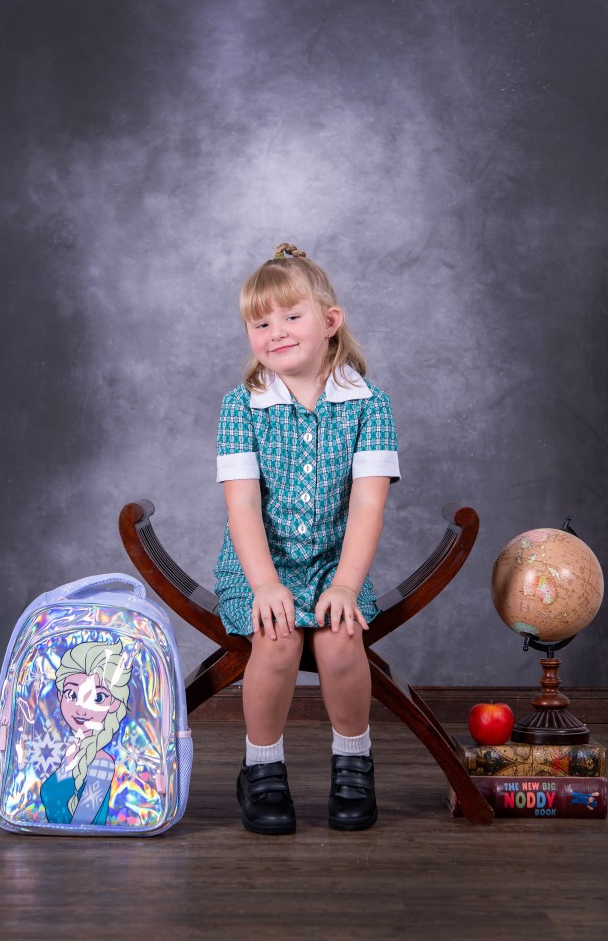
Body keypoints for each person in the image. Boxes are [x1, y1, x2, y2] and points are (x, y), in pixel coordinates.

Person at [214, 243, 400, 834]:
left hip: (334, 564)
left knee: (341, 639)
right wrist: (265, 583)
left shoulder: (370, 405)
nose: (276, 332)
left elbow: (368, 504)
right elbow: (242, 505)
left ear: (330, 321)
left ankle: (354, 762)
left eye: (292, 316)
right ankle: (262, 767)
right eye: (260, 323)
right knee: (276, 639)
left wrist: (345, 584)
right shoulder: (241, 407)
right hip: (258, 565)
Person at [40, 640, 132, 825]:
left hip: (81, 842)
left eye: (98, 697)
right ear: (60, 695)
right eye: (72, 694)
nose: (81, 708)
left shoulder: (102, 764)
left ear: (114, 703)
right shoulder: (72, 753)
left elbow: (83, 823)